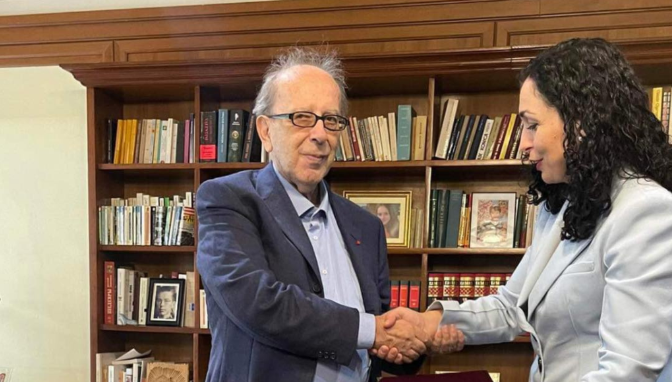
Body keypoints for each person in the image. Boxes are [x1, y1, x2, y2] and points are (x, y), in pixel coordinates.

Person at [376, 38, 672, 381]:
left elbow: (627, 372)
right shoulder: (563, 207)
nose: (523, 143)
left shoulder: (647, 213)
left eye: (532, 125)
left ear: (582, 122)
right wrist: (426, 324)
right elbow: (511, 307)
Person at [196, 48, 462, 382]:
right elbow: (257, 303)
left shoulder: (366, 225)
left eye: (331, 120)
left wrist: (419, 343)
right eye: (302, 117)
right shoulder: (228, 199)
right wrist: (374, 331)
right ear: (265, 131)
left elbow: (379, 337)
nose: (320, 135)